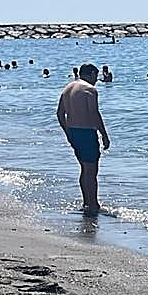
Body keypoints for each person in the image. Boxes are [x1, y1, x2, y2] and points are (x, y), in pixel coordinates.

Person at [55, 63, 110, 216]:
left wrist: (67, 132)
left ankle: (87, 201)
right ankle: (93, 203)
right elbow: (94, 113)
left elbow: (60, 113)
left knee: (84, 169)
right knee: (91, 170)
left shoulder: (68, 87)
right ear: (91, 74)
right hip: (86, 133)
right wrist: (104, 134)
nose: (97, 80)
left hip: (74, 131)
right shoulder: (90, 90)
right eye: (96, 76)